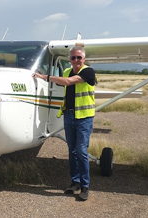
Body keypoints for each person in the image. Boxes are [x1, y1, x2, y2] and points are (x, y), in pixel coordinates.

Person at [33, 46, 96, 200]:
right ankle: (74, 182)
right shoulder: (67, 71)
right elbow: (62, 81)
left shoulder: (88, 72)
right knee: (72, 151)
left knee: (81, 150)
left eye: (79, 58)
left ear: (84, 59)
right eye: (73, 58)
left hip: (84, 118)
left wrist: (44, 76)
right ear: (69, 59)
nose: (76, 61)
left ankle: (85, 185)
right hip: (68, 116)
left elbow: (67, 82)